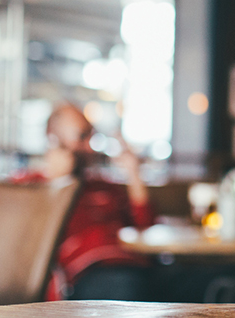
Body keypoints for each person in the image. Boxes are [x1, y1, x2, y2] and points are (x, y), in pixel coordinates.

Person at [10, 103, 155, 301]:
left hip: (137, 266)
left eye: (91, 136)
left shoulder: (103, 186)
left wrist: (133, 174)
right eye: (82, 136)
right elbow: (20, 239)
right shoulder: (30, 186)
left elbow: (145, 228)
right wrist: (56, 182)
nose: (89, 146)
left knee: (206, 283)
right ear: (53, 138)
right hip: (85, 274)